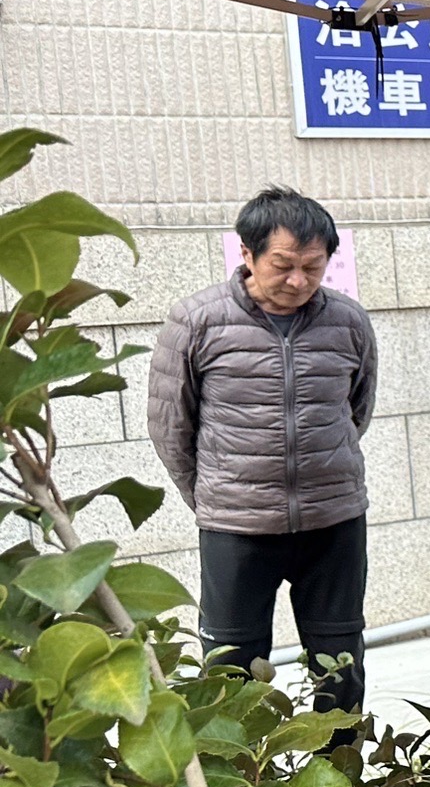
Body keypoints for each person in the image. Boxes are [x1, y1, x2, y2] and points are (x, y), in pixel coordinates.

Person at [148, 186, 376, 712]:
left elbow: (355, 409)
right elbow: (170, 426)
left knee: (339, 661)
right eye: (283, 265)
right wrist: (218, 494)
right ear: (247, 254)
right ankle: (239, 766)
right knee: (231, 664)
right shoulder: (197, 321)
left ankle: (339, 762)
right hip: (237, 526)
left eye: (313, 267)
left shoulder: (348, 321)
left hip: (334, 520)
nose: (298, 281)